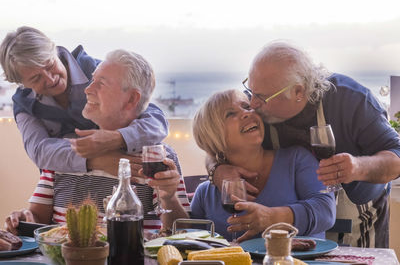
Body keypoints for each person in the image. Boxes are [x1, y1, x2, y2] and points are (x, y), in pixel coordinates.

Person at [210, 41, 400, 247]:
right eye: (250, 89)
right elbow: (216, 140)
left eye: (261, 97)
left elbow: (396, 155)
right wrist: (218, 168)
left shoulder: (353, 100)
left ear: (298, 92)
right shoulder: (258, 105)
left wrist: (357, 167)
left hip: (357, 218)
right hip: (298, 230)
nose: (252, 104)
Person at [5, 49, 190, 232]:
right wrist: (24, 220)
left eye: (100, 83)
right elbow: (37, 218)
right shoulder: (65, 151)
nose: (87, 89)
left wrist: (169, 197)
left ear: (132, 98)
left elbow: (182, 232)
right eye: (92, 80)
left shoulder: (156, 158)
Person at [0, 26, 168, 176]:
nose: (50, 79)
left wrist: (117, 138)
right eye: (36, 78)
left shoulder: (100, 72)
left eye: (50, 65)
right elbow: (39, 151)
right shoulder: (23, 104)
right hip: (61, 183)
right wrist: (97, 160)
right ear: (21, 84)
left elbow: (156, 121)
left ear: (54, 52)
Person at [191, 89, 335, 242]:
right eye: (230, 114)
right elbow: (185, 240)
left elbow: (326, 212)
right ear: (212, 135)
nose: (247, 113)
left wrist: (273, 217)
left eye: (247, 107)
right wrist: (170, 197)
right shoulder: (205, 193)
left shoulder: (296, 160)